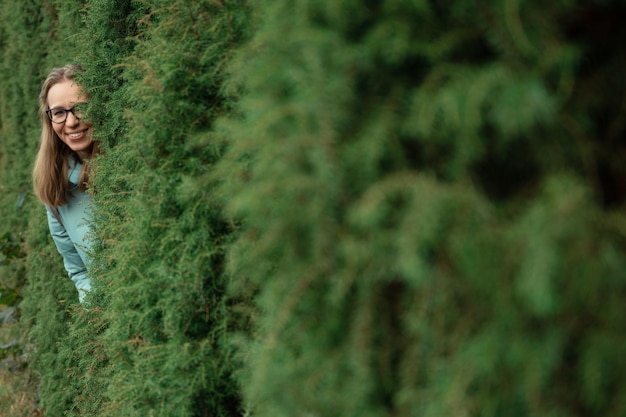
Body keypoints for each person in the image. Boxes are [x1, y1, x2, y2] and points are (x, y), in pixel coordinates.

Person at [32, 64, 98, 303]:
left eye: (81, 108)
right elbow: (80, 271)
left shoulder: (128, 164)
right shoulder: (55, 190)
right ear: (49, 119)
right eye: (59, 112)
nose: (71, 122)